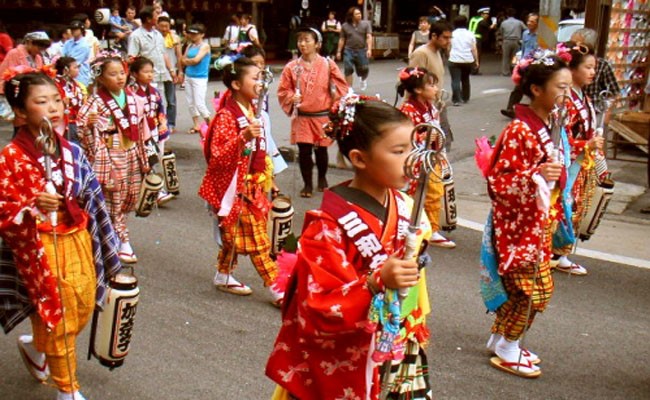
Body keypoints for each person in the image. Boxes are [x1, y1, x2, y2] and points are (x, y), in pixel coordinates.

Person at [266, 93, 433, 399]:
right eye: (399, 151)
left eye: (414, 148)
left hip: (395, 338)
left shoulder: (404, 203)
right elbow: (318, 306)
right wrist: (377, 281)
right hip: (346, 355)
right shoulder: (326, 226)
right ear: (359, 158)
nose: (412, 160)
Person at [0, 69, 121, 400]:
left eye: (56, 99)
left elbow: (92, 194)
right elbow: (4, 206)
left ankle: (37, 349)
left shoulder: (70, 149)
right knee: (61, 313)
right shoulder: (10, 157)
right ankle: (67, 391)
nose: (53, 107)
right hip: (40, 244)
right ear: (21, 113)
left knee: (82, 306)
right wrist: (32, 203)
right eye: (41, 102)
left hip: (77, 236)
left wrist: (110, 238)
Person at [483, 50, 571, 378]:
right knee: (535, 288)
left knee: (522, 289)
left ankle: (502, 338)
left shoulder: (548, 124)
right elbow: (500, 181)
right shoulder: (520, 130)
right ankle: (509, 343)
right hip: (519, 224)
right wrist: (537, 175)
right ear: (536, 89)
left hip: (538, 220)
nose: (566, 95)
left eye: (568, 88)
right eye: (560, 88)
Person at [198, 57, 282, 305]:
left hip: (255, 186)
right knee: (258, 242)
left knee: (234, 235)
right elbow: (217, 157)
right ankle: (278, 288)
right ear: (236, 83)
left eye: (260, 78)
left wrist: (271, 180)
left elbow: (262, 152)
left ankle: (223, 274)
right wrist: (243, 137)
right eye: (254, 78)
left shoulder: (256, 113)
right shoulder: (226, 115)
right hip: (237, 189)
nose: (259, 83)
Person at [76, 52, 152, 264]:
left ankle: (113, 232)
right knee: (114, 198)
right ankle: (122, 239)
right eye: (113, 74)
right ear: (100, 78)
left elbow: (143, 127)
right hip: (110, 154)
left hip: (132, 152)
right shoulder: (96, 100)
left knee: (129, 195)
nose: (120, 78)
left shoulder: (133, 97)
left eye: (122, 73)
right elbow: (82, 126)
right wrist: (90, 124)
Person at [550, 43, 605, 275]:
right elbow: (561, 139)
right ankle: (557, 253)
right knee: (564, 205)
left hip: (580, 162)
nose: (592, 72)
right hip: (570, 162)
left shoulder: (581, 96)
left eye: (594, 68)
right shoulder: (566, 100)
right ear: (572, 69)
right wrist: (586, 144)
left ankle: (560, 251)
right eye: (588, 67)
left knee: (573, 205)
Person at [278, 27, 348, 197]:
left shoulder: (327, 64)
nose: (302, 44)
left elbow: (341, 86)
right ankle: (307, 184)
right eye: (300, 40)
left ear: (317, 44)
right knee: (304, 151)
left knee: (321, 150)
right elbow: (283, 90)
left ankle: (322, 178)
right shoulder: (291, 67)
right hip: (302, 116)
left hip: (322, 115)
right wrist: (290, 97)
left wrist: (336, 104)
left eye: (307, 40)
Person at [397, 66, 455, 248]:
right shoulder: (408, 109)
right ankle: (423, 227)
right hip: (418, 158)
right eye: (431, 85)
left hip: (431, 156)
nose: (436, 89)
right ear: (418, 89)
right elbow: (407, 136)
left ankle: (429, 226)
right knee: (418, 194)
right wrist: (427, 136)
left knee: (434, 192)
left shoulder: (430, 106)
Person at [129, 56, 174, 205]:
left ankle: (146, 188)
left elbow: (161, 109)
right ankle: (156, 191)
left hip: (155, 129)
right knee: (149, 160)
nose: (150, 75)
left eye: (151, 72)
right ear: (135, 74)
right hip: (142, 132)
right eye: (145, 72)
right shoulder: (131, 92)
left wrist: (163, 123)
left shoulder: (154, 91)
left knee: (155, 159)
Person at [128, 6, 176, 140]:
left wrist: (171, 70)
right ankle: (147, 134)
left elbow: (164, 53)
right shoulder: (136, 36)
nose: (158, 18)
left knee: (160, 104)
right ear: (149, 19)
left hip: (160, 74)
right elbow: (132, 57)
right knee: (147, 105)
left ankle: (161, 132)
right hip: (145, 77)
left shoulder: (158, 34)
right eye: (156, 15)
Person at [409, 21, 455, 149]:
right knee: (427, 148)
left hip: (436, 105)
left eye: (450, 38)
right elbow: (412, 82)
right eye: (445, 37)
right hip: (423, 108)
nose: (448, 41)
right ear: (434, 36)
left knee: (443, 144)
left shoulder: (437, 52)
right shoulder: (421, 54)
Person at [501, 13, 539, 118]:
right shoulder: (525, 34)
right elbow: (523, 49)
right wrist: (520, 61)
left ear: (537, 23)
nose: (529, 23)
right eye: (528, 21)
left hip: (535, 65)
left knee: (532, 89)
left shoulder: (541, 37)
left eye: (532, 21)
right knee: (518, 87)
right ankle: (510, 108)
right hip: (524, 65)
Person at [570, 28, 621, 106]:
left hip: (594, 110)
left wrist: (605, 114)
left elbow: (613, 93)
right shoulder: (567, 61)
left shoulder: (603, 65)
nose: (574, 47)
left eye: (578, 44)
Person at [181, 23, 211, 135]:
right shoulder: (190, 46)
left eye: (195, 34)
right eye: (191, 34)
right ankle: (196, 124)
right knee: (191, 102)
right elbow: (182, 59)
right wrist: (189, 62)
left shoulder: (205, 46)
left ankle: (210, 123)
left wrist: (188, 62)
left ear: (202, 35)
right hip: (189, 75)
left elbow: (196, 60)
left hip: (200, 77)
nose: (192, 36)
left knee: (199, 103)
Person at [337, 6, 373, 90]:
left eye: (360, 13)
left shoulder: (366, 24)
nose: (359, 15)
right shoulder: (345, 26)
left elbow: (369, 37)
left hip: (361, 50)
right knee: (348, 69)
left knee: (364, 69)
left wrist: (369, 49)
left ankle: (363, 79)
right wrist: (339, 51)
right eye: (357, 14)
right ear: (351, 16)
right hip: (348, 50)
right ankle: (349, 89)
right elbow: (342, 39)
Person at [157, 15, 182, 133]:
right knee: (159, 100)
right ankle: (161, 123)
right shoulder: (155, 38)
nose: (163, 28)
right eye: (161, 26)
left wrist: (180, 71)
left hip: (171, 72)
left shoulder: (174, 38)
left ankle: (171, 123)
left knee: (171, 100)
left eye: (166, 26)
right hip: (158, 72)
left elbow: (179, 56)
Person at [448, 15, 478, 106]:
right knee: (465, 79)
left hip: (454, 59)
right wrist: (476, 60)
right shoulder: (470, 34)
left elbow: (448, 47)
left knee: (455, 80)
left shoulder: (452, 34)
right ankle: (465, 97)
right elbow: (474, 48)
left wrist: (448, 54)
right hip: (467, 60)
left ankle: (457, 99)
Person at [54, 56, 84, 143]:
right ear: (66, 70)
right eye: (75, 67)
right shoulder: (56, 83)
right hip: (65, 121)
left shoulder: (74, 83)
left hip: (76, 120)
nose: (78, 69)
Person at [62, 21, 91, 88]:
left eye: (75, 29)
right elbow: (62, 57)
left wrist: (64, 60)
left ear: (81, 30)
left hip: (80, 77)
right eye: (72, 29)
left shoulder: (84, 45)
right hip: (67, 75)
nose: (73, 31)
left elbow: (73, 62)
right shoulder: (68, 42)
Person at [499, 8, 526, 76]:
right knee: (515, 57)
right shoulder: (519, 22)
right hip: (516, 41)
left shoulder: (503, 23)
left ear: (507, 15)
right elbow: (526, 29)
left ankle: (505, 72)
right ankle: (515, 71)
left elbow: (501, 32)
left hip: (506, 41)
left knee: (505, 57)